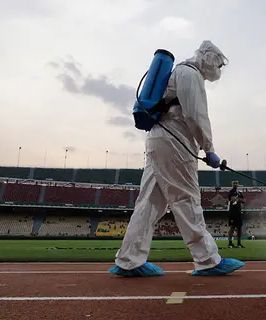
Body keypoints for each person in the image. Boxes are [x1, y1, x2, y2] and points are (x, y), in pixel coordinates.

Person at [110, 40, 245, 277]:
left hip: (158, 140)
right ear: (209, 58)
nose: (218, 70)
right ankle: (208, 259)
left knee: (149, 203)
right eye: (218, 64)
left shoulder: (178, 73)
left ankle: (128, 260)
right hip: (175, 141)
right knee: (186, 198)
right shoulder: (189, 74)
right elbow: (196, 115)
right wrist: (209, 149)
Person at [227, 181, 246, 248]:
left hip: (239, 212)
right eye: (234, 183)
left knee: (239, 228)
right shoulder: (231, 192)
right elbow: (232, 200)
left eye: (236, 183)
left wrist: (238, 199)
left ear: (238, 184)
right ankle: (230, 243)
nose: (235, 184)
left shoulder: (240, 192)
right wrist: (239, 199)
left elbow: (244, 201)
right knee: (232, 227)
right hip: (232, 212)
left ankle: (239, 243)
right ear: (232, 184)